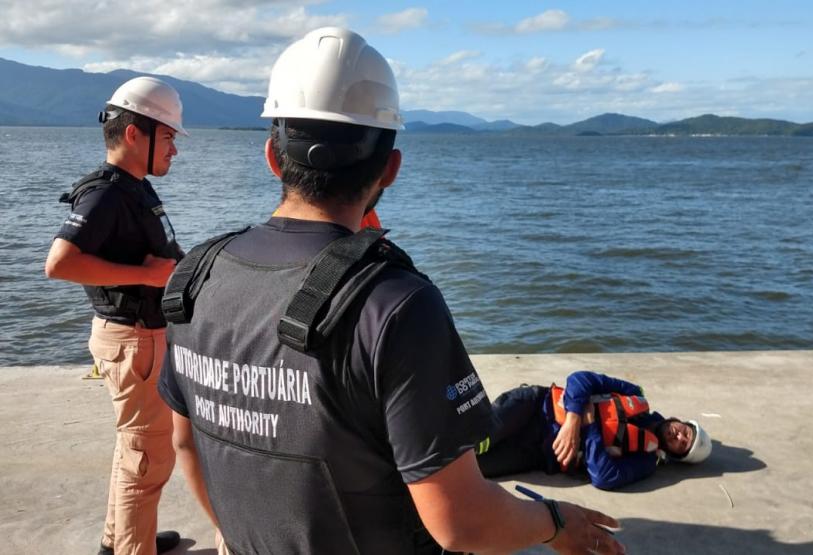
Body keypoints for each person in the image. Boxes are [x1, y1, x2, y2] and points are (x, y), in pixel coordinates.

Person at [157, 27, 625, 555]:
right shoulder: (395, 306)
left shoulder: (194, 276)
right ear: (390, 169)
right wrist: (555, 521)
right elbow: (463, 521)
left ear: (271, 156)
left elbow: (186, 444)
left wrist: (237, 535)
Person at [45, 76, 186, 555]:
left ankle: (122, 540)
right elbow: (59, 263)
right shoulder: (105, 193)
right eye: (167, 136)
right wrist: (146, 278)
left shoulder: (133, 188)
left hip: (139, 338)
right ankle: (132, 547)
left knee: (136, 452)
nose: (174, 148)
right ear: (134, 134)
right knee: (147, 459)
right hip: (134, 341)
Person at [477, 370, 713, 490]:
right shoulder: (634, 394)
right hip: (534, 406)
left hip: (538, 454)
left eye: (682, 444)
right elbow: (580, 379)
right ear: (678, 420)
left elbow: (605, 477)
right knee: (474, 440)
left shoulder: (645, 461)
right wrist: (573, 420)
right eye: (685, 431)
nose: (679, 436)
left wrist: (589, 427)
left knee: (471, 467)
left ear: (673, 454)